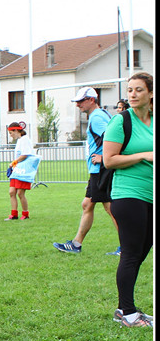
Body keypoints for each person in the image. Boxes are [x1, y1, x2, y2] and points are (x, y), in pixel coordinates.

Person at [103, 72, 153, 328]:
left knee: (142, 250)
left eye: (139, 90)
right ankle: (127, 312)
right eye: (130, 90)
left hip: (150, 195)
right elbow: (109, 160)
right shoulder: (121, 121)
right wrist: (144, 155)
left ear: (151, 94)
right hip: (128, 194)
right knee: (131, 253)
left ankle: (127, 309)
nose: (132, 94)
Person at [52, 87, 118, 254]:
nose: (78, 105)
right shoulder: (100, 114)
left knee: (111, 208)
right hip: (97, 170)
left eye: (81, 101)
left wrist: (104, 157)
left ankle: (128, 247)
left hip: (100, 170)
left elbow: (112, 137)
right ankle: (76, 244)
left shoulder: (96, 117)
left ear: (91, 100)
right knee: (87, 204)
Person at [4, 121, 35, 220]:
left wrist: (14, 162)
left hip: (23, 170)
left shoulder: (25, 140)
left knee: (20, 193)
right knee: (12, 192)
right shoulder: (20, 140)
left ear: (16, 131)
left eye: (11, 133)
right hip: (17, 170)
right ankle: (14, 214)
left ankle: (25, 214)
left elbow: (25, 154)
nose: (11, 135)